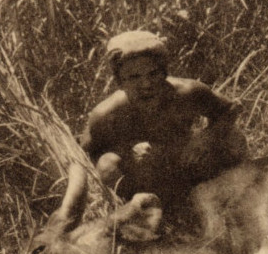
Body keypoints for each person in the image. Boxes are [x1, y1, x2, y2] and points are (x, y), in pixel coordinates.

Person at [78, 30, 247, 206]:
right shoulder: (106, 114)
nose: (146, 85)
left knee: (233, 139)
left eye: (153, 74)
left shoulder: (187, 93)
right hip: (144, 178)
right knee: (107, 165)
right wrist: (127, 151)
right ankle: (134, 217)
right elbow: (84, 155)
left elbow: (230, 109)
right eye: (134, 77)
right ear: (119, 82)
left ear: (165, 72)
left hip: (185, 163)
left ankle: (235, 202)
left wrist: (205, 138)